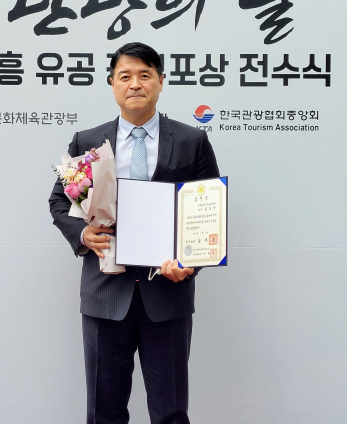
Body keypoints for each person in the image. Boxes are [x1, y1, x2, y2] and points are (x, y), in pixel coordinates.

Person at [49, 42, 219, 424]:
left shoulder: (191, 141)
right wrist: (82, 235)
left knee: (171, 413)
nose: (135, 84)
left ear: (161, 81)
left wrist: (190, 263)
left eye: (145, 75)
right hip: (105, 296)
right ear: (112, 83)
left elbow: (208, 212)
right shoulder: (88, 141)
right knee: (103, 413)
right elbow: (60, 201)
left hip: (168, 296)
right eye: (125, 76)